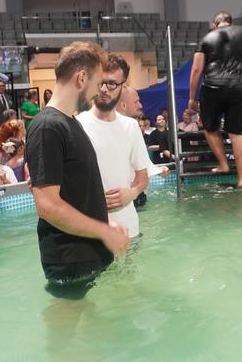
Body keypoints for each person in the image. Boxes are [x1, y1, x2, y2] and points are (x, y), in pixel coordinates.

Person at [25, 41, 129, 298]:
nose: (98, 92)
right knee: (66, 335)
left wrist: (108, 222)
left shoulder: (70, 123)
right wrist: (104, 231)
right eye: (96, 84)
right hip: (69, 259)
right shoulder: (48, 127)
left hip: (86, 255)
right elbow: (47, 206)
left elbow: (78, 191)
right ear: (81, 78)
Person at [188, 11, 242, 188]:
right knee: (238, 132)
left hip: (212, 87)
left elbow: (196, 70)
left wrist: (192, 99)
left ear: (214, 25)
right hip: (240, 86)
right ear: (231, 23)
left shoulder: (206, 39)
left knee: (210, 127)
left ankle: (223, 164)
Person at [77, 53, 150, 239]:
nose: (103, 89)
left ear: (123, 86)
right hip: (92, 230)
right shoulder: (77, 125)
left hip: (129, 227)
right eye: (100, 82)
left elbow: (143, 179)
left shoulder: (131, 127)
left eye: (111, 84)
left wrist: (131, 193)